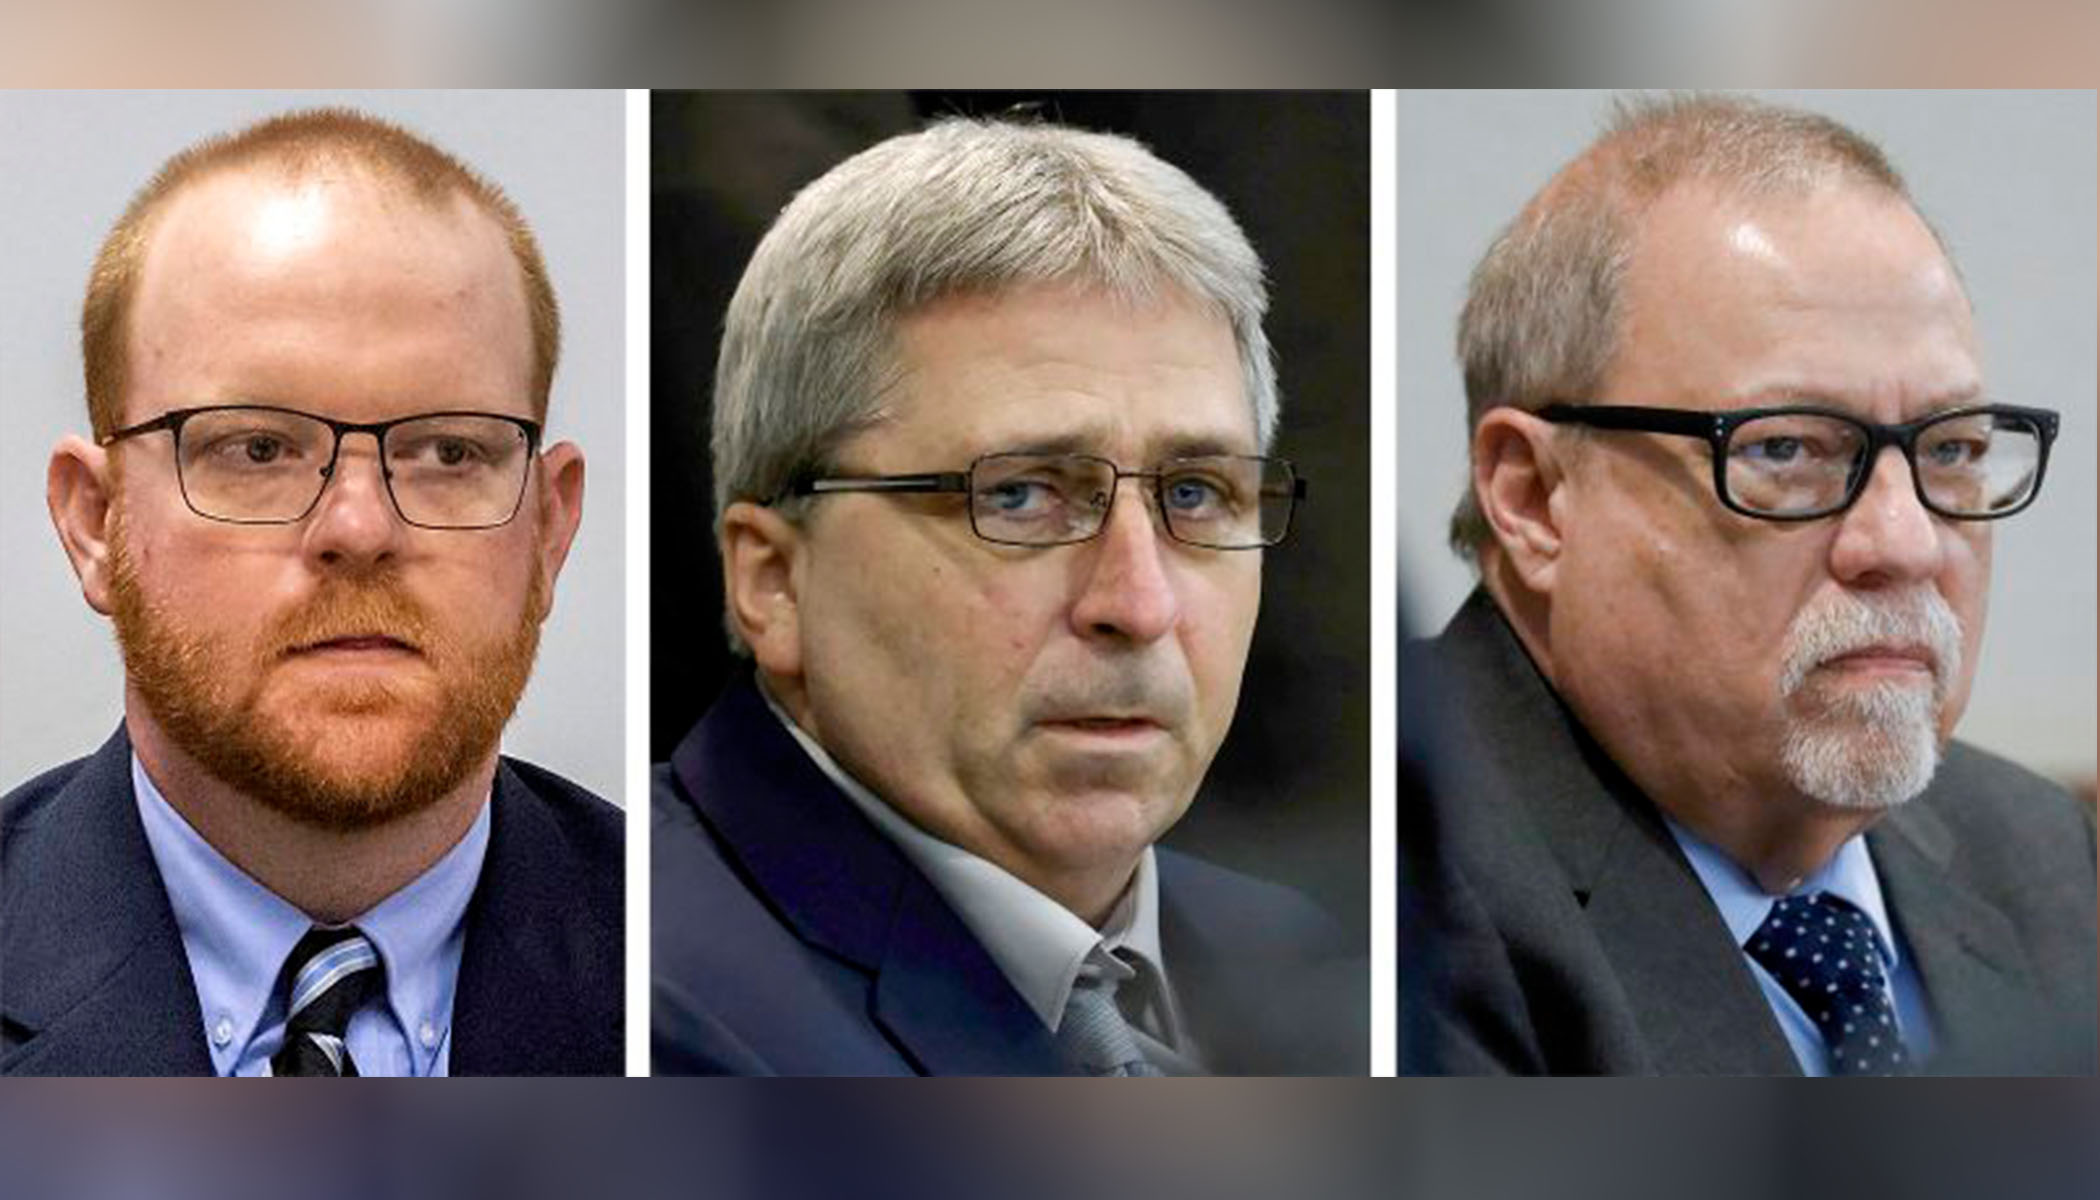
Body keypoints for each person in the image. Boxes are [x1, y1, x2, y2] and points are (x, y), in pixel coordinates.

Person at [1401, 94, 2097, 1076]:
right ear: (1536, 497)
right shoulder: (1407, 889)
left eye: (1951, 450)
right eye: (1788, 449)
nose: (1904, 542)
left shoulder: (2034, 854)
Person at [652, 116, 1363, 1076]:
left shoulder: (1306, 964)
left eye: (1195, 494)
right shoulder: (656, 1014)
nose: (1138, 603)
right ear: (772, 580)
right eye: (1021, 496)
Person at [1, 108, 622, 1076]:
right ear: (93, 521)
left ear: (549, 528)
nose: (360, 530)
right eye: (257, 449)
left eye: (449, 451)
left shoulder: (681, 981)